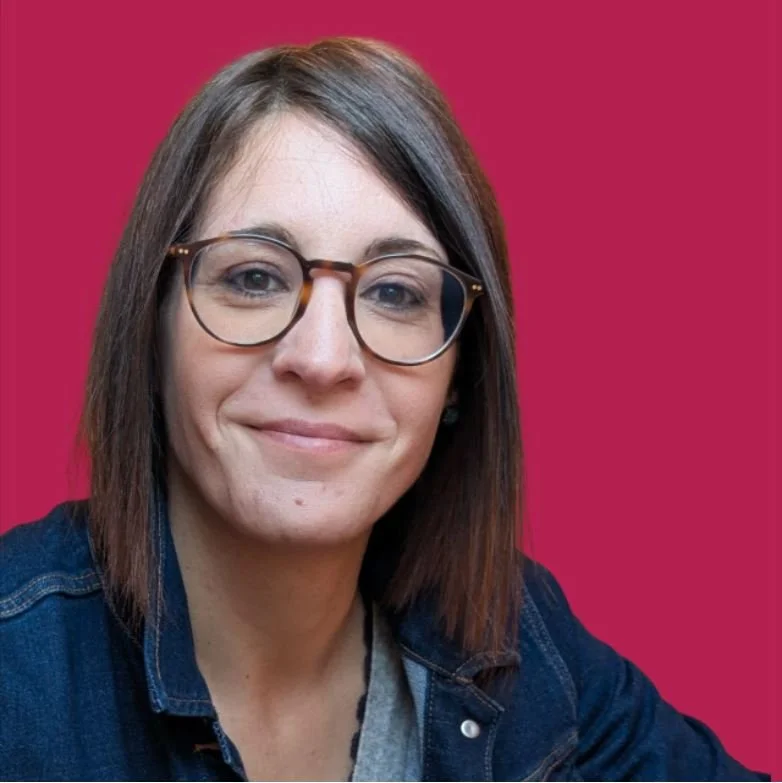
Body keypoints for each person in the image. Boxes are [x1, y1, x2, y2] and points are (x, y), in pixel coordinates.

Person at [0, 37, 769, 782]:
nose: (323, 359)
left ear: (460, 375)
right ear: (151, 328)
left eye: (396, 292)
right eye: (254, 278)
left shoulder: (518, 640)